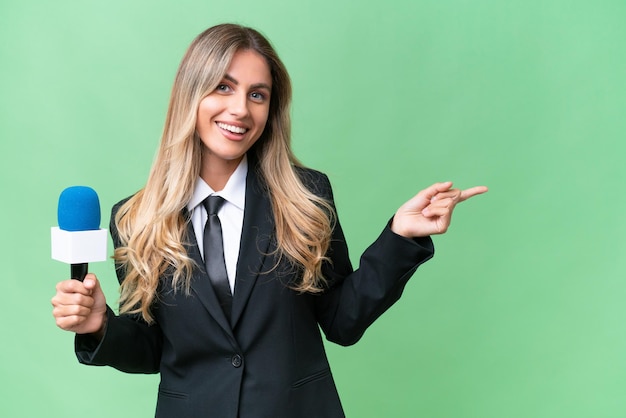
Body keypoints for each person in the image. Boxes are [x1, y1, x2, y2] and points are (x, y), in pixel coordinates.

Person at [51, 23, 487, 418]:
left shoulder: (306, 196)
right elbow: (154, 349)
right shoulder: (136, 219)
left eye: (257, 94)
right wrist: (100, 326)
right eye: (223, 87)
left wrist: (400, 237)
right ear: (191, 95)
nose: (240, 109)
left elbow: (342, 320)